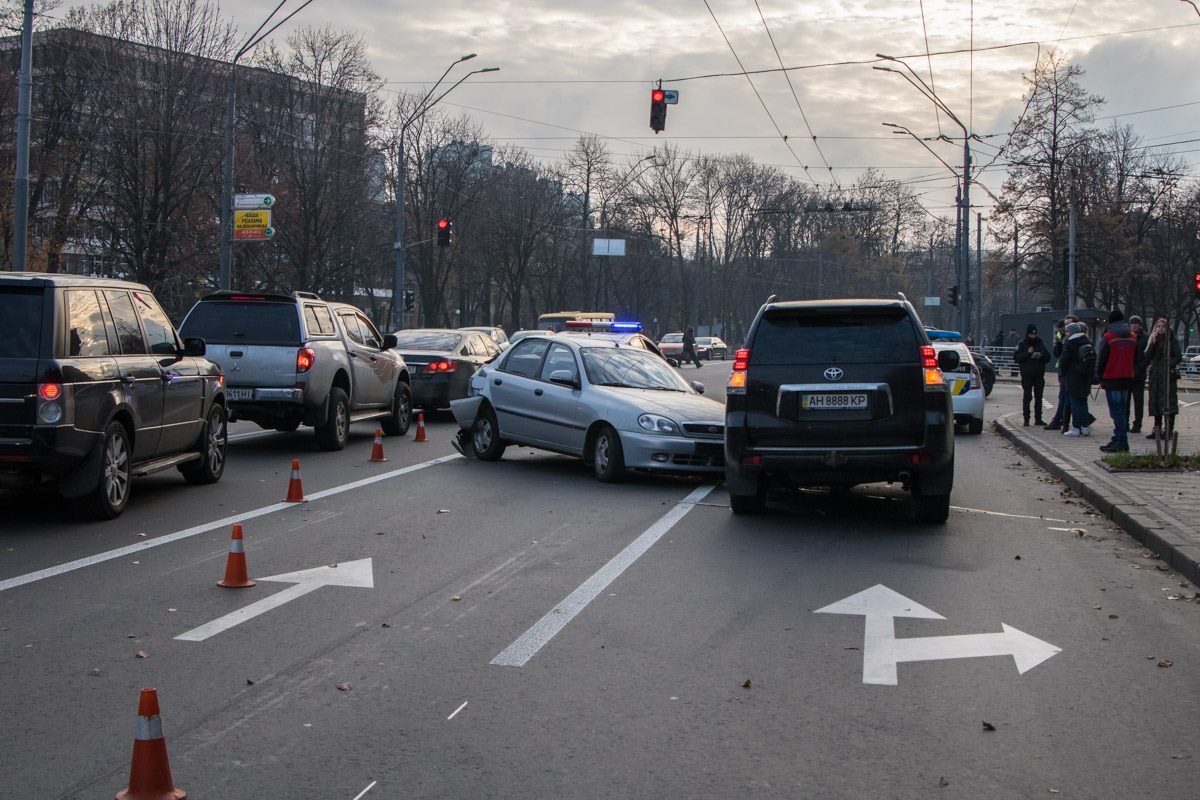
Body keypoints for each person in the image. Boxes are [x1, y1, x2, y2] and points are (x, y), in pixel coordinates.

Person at [1095, 309, 1137, 453]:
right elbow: (1137, 358)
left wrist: (1098, 375)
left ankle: (1121, 441)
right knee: (1122, 410)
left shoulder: (1108, 337)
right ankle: (1118, 438)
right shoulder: (1132, 337)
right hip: (1127, 377)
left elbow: (1101, 359)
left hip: (1111, 377)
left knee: (1116, 412)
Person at [1144, 316, 1181, 441]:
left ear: (1167, 328)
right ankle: (1157, 429)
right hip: (1155, 376)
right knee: (1155, 402)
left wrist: (1167, 365)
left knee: (1168, 402)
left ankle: (1168, 429)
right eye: (1158, 326)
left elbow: (1178, 357)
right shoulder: (1153, 340)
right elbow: (1147, 356)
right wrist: (1152, 342)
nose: (1160, 329)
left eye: (1163, 326)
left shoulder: (1172, 341)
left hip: (1167, 376)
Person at [1058, 322, 1095, 437]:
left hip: (1072, 376)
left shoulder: (1070, 343)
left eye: (1067, 331)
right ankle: (1085, 427)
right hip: (1085, 376)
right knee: (1083, 402)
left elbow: (1064, 361)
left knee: (1074, 402)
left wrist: (1063, 373)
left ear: (1071, 332)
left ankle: (1075, 427)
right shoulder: (1087, 341)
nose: (1066, 333)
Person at [1044, 315, 1077, 431]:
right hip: (1063, 371)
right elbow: (1057, 353)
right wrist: (1058, 341)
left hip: (1070, 372)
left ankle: (1059, 420)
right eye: (1065, 325)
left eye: (1068, 325)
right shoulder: (1061, 337)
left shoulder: (1073, 339)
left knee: (1068, 397)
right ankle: (1062, 419)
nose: (1065, 328)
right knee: (1065, 397)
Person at [1013, 324, 1049, 426]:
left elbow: (1048, 357)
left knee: (1039, 397)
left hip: (1039, 374)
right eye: (1031, 334)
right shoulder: (1022, 344)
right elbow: (1017, 358)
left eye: (1034, 334)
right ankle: (1026, 419)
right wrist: (1028, 353)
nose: (1033, 336)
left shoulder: (1040, 343)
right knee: (1027, 396)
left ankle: (1038, 419)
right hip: (1027, 374)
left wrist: (1040, 355)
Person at [1126, 315, 1148, 433]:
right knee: (1125, 401)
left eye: (1136, 323)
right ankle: (1125, 423)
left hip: (1139, 374)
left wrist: (1139, 368)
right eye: (1132, 323)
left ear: (1140, 325)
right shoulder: (1126, 336)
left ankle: (1137, 424)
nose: (1134, 325)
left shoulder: (1145, 338)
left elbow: (1147, 356)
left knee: (1138, 402)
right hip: (1126, 373)